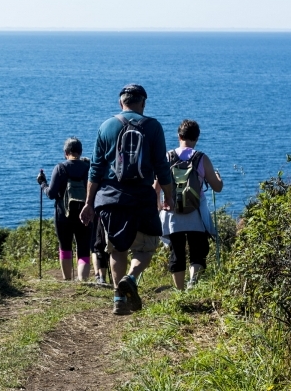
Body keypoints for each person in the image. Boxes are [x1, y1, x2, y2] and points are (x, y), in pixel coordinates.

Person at [80, 84, 174, 315]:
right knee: (148, 246)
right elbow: (162, 167)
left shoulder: (106, 126)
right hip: (142, 197)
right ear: (143, 103)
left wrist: (88, 203)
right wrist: (169, 196)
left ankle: (118, 299)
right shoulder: (153, 127)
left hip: (110, 198)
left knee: (116, 250)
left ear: (121, 102)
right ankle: (131, 278)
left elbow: (95, 169)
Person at [155, 120, 223, 290]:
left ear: (179, 136)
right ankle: (192, 282)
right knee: (197, 251)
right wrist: (218, 176)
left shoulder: (167, 157)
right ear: (196, 138)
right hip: (196, 212)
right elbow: (217, 187)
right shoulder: (201, 158)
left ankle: (179, 292)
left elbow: (155, 188)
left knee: (176, 252)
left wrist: (158, 208)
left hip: (172, 212)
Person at [37, 137, 92, 281]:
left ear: (66, 152)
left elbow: (51, 194)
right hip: (85, 214)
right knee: (84, 248)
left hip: (63, 215)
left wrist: (43, 183)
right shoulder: (88, 168)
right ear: (81, 152)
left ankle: (68, 281)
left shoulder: (60, 168)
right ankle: (83, 281)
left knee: (65, 247)